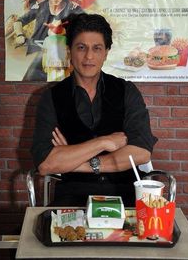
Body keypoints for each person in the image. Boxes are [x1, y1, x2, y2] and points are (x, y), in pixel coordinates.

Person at [31, 13, 158, 206]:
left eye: (97, 48)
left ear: (106, 52)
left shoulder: (127, 91)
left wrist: (75, 161)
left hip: (125, 197)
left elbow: (141, 152)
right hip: (72, 198)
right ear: (69, 51)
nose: (89, 56)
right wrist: (104, 142)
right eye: (81, 47)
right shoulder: (51, 97)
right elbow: (46, 164)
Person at [15, 0, 83, 81]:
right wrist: (19, 35)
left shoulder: (73, 8)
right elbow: (19, 21)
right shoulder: (40, 7)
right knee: (29, 79)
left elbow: (88, 26)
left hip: (64, 54)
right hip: (39, 51)